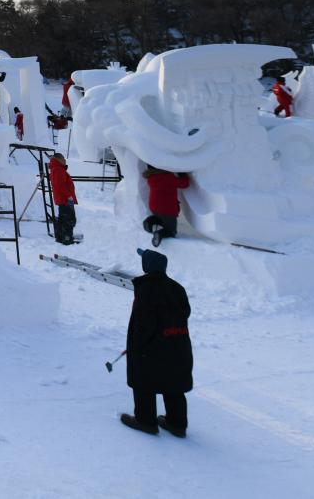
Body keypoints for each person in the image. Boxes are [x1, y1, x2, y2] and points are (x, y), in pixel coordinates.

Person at [120, 248, 192, 437]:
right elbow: (184, 313)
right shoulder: (177, 288)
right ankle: (177, 424)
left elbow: (144, 323)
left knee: (143, 380)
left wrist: (135, 347)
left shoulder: (147, 288)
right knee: (174, 383)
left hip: (153, 347)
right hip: (178, 344)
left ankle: (146, 421)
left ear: (147, 266)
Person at [142, 166, 189, 247]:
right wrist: (183, 175)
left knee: (160, 218)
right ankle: (159, 234)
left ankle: (149, 223)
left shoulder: (151, 178)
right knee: (171, 231)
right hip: (167, 209)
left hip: (154, 207)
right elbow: (184, 184)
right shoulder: (168, 177)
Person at [48, 153, 78, 244]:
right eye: (63, 158)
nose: (65, 160)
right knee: (69, 219)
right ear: (59, 159)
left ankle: (61, 237)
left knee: (63, 218)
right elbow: (60, 185)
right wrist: (69, 195)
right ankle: (67, 238)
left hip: (63, 199)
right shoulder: (58, 170)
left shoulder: (56, 169)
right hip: (65, 199)